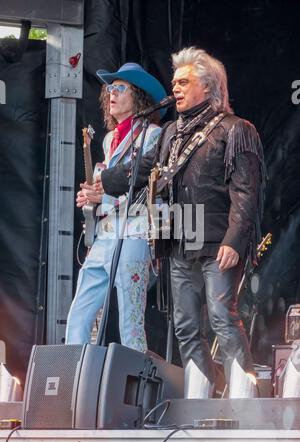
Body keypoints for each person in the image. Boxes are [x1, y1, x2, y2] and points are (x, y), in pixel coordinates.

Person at [99, 47, 265, 397]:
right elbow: (142, 172)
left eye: (184, 82)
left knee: (222, 317)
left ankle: (243, 399)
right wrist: (105, 180)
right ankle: (201, 397)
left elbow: (246, 193)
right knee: (186, 326)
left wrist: (235, 241)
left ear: (208, 87)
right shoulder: (172, 132)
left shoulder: (236, 130)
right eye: (174, 82)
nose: (175, 88)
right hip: (179, 242)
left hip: (218, 241)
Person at [65, 63, 167, 352]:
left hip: (135, 234)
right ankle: (75, 375)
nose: (112, 93)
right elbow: (107, 183)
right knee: (80, 311)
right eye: (110, 88)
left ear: (139, 96)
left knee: (130, 321)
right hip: (106, 235)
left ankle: (136, 389)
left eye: (120, 88)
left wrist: (104, 197)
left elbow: (150, 190)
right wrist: (91, 198)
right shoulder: (110, 139)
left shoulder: (153, 136)